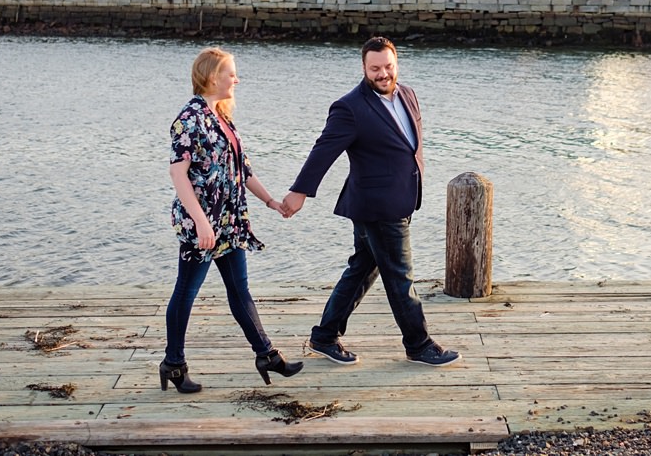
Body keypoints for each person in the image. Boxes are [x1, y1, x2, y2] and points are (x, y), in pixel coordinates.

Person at [282, 36, 460, 367]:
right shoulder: (350, 107)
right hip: (378, 206)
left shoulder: (407, 94)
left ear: (397, 64)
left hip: (398, 198)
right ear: (364, 68)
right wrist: (300, 191)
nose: (383, 74)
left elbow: (409, 147)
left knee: (363, 268)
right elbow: (324, 149)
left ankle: (324, 335)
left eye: (388, 66)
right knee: (400, 276)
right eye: (375, 68)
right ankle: (419, 344)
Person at [161, 46, 303, 393]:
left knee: (240, 291)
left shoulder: (222, 116)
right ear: (212, 76)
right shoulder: (189, 118)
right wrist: (200, 222)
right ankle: (174, 364)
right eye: (231, 73)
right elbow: (178, 175)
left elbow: (242, 171)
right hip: (204, 226)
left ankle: (266, 355)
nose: (236, 79)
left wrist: (271, 201)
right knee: (186, 292)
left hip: (229, 222)